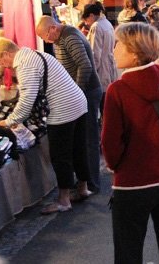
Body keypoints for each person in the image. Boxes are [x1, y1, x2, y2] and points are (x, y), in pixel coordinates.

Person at [102, 23, 159, 264]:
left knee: (128, 253)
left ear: (134, 52)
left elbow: (110, 144)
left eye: (118, 44)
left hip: (132, 185)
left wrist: (118, 164)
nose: (114, 50)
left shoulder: (117, 90)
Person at [0, 37, 90, 214]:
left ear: (6, 53)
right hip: (78, 102)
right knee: (78, 148)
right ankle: (83, 188)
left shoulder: (24, 64)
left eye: (1, 61)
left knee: (61, 155)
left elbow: (27, 99)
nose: (4, 66)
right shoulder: (35, 54)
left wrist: (10, 121)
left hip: (63, 109)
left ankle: (64, 200)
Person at [36, 15, 103, 194]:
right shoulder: (62, 37)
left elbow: (85, 66)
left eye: (44, 36)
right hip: (82, 93)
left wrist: (78, 91)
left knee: (88, 139)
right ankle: (85, 182)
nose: (45, 40)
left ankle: (91, 184)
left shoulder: (69, 37)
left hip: (87, 92)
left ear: (52, 28)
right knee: (82, 139)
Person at [82, 3, 118, 112]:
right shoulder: (107, 23)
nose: (86, 23)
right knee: (108, 106)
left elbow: (94, 53)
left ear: (91, 15)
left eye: (86, 20)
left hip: (101, 71)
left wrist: (91, 74)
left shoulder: (96, 26)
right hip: (109, 68)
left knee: (102, 106)